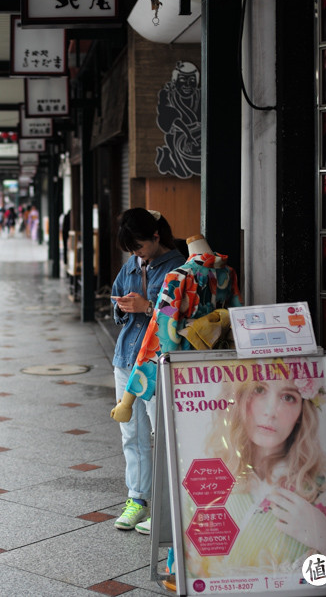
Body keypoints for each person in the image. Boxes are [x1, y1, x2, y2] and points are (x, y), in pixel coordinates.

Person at [112, 233, 242, 541]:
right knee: (199, 439)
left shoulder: (178, 275)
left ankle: (170, 510)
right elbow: (238, 315)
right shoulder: (227, 272)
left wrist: (131, 393)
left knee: (168, 438)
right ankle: (194, 506)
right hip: (215, 367)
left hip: (177, 369)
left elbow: (160, 335)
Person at [185, 370, 326, 578]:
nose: (271, 412)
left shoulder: (325, 484)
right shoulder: (207, 475)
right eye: (259, 390)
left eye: (288, 397)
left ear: (301, 412)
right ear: (240, 397)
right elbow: (192, 574)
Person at [109, 208, 186, 531]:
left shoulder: (180, 267)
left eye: (139, 247)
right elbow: (115, 300)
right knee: (133, 434)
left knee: (164, 433)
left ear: (156, 237)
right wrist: (121, 306)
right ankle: (137, 500)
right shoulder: (132, 264)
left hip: (158, 362)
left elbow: (180, 314)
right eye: (131, 250)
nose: (136, 254)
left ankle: (168, 507)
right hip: (127, 358)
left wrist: (147, 307)